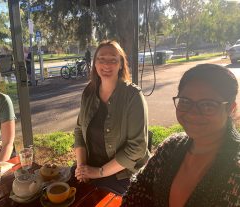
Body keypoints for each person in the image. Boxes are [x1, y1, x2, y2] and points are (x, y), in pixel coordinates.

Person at [122, 64, 240, 206]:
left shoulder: (236, 169)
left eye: (208, 105)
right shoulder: (170, 147)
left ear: (230, 109)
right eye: (185, 101)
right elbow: (138, 188)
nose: (192, 113)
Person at [74, 40, 150, 195]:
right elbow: (79, 130)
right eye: (101, 59)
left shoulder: (133, 96)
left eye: (113, 60)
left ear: (121, 64)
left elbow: (137, 148)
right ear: (95, 63)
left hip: (123, 174)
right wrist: (82, 169)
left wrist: (97, 172)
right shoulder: (88, 92)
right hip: (90, 168)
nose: (106, 65)